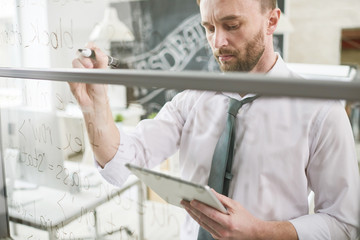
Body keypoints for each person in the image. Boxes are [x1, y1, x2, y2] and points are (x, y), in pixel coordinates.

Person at [70, 0, 360, 239]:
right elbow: (119, 161)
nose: (218, 41)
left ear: (271, 22)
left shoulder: (321, 110)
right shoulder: (193, 99)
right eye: (208, 28)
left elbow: (344, 224)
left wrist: (258, 232)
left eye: (232, 26)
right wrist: (94, 105)